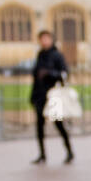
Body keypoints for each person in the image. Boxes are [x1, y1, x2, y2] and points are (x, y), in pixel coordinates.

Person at [30, 29, 73, 164]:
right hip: (40, 95)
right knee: (39, 126)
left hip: (54, 96)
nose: (44, 41)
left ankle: (69, 151)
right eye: (42, 39)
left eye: (46, 38)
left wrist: (49, 73)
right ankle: (42, 154)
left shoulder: (57, 55)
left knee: (59, 124)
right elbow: (36, 77)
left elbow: (64, 73)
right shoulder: (40, 55)